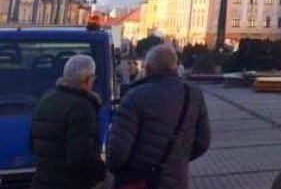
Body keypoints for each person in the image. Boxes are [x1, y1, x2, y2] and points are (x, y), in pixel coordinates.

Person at [107, 44, 211, 189]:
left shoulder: (134, 97)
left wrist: (114, 169)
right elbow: (203, 142)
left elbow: (117, 152)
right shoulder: (193, 94)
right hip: (176, 181)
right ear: (175, 68)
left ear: (148, 68)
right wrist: (176, 160)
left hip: (138, 181)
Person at [30, 54, 108, 189]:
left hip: (42, 182)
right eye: (93, 77)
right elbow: (80, 158)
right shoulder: (82, 107)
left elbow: (33, 143)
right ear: (87, 80)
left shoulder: (45, 100)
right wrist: (102, 172)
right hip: (70, 183)